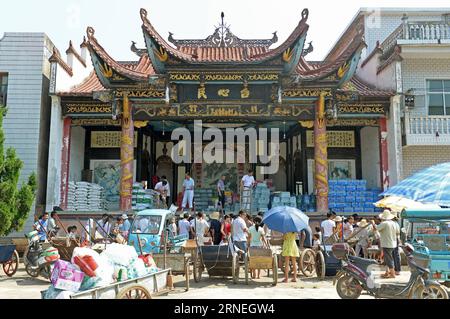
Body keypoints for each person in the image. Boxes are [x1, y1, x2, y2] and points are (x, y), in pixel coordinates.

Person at [371, 210, 400, 279]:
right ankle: (387, 272)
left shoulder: (385, 223)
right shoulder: (393, 223)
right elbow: (397, 232)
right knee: (388, 258)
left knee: (388, 259)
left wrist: (373, 223)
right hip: (393, 243)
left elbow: (375, 228)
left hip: (387, 244)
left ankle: (392, 274)